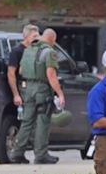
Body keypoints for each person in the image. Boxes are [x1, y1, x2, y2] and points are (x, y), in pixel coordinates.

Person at [9, 28, 65, 165]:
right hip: (42, 90)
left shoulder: (28, 50)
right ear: (53, 40)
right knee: (42, 121)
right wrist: (60, 94)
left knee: (27, 122)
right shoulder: (49, 52)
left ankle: (17, 153)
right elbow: (51, 75)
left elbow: (21, 70)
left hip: (27, 89)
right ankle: (41, 155)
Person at [7, 24, 41, 108]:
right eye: (34, 36)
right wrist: (16, 95)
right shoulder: (17, 51)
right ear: (26, 36)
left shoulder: (36, 49)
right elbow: (11, 73)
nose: (37, 38)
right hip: (24, 87)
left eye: (38, 36)